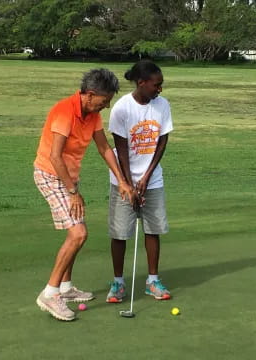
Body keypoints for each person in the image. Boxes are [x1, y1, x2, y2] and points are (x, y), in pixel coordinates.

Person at [33, 68, 135, 321]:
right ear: (90, 95)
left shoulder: (92, 115)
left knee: (76, 233)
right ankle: (50, 292)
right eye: (104, 101)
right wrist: (73, 192)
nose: (107, 105)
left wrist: (122, 180)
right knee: (79, 233)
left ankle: (66, 288)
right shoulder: (64, 112)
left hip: (67, 178)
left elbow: (104, 148)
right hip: (51, 175)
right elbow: (55, 157)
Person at [106, 60, 173, 303]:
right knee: (120, 232)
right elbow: (121, 149)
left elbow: (162, 142)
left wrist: (146, 177)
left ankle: (152, 281)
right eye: (156, 85)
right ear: (141, 83)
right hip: (122, 180)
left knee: (153, 230)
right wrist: (130, 183)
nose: (160, 89)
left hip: (152, 180)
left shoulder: (162, 106)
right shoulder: (122, 108)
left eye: (161, 85)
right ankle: (118, 283)